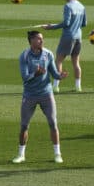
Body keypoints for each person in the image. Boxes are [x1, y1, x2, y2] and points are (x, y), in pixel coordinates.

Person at [12, 31, 68, 164]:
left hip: (46, 94)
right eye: (38, 39)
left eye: (42, 39)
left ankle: (57, 154)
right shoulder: (24, 56)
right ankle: (21, 155)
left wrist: (60, 76)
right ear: (31, 40)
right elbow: (25, 78)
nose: (42, 41)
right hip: (29, 95)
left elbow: (54, 73)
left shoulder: (48, 54)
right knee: (24, 126)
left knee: (53, 123)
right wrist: (35, 74)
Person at [42, 0, 86, 93]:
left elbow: (66, 23)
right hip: (78, 37)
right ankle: (78, 87)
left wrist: (51, 27)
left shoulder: (68, 6)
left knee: (58, 60)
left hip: (68, 36)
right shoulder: (81, 6)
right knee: (76, 63)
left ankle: (56, 86)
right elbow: (84, 23)